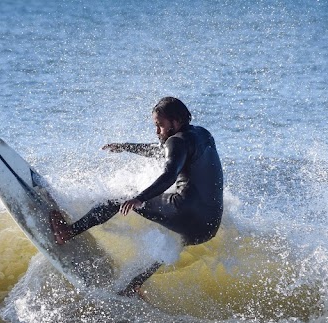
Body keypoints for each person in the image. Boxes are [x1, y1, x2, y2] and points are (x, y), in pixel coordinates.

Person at [50, 97, 224, 295]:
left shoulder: (176, 141)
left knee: (118, 199)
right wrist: (126, 147)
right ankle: (134, 285)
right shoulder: (202, 134)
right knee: (170, 239)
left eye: (159, 126)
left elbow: (169, 174)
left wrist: (139, 198)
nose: (157, 131)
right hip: (208, 225)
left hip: (186, 212)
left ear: (175, 122)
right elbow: (162, 150)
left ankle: (68, 232)